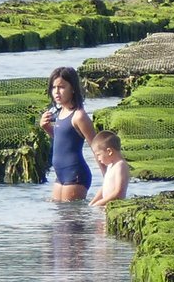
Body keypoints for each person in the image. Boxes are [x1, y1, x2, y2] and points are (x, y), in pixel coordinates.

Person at [39, 66, 95, 202]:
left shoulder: (79, 116)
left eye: (62, 87)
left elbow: (97, 147)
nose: (57, 92)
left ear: (73, 89)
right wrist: (46, 127)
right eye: (54, 87)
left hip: (75, 174)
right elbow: (64, 141)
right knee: (60, 220)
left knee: (71, 220)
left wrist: (108, 179)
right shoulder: (59, 113)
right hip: (60, 175)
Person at [89, 130, 129, 207]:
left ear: (109, 151)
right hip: (105, 206)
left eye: (98, 155)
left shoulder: (120, 165)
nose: (98, 159)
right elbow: (104, 188)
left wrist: (98, 204)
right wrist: (92, 203)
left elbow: (119, 192)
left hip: (115, 207)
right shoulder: (110, 166)